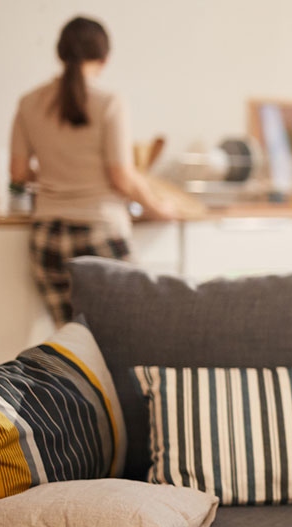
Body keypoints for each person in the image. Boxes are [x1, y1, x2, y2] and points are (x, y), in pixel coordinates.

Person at [10, 16, 174, 324]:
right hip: (100, 232)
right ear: (104, 58)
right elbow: (120, 176)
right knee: (132, 332)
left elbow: (17, 173)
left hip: (47, 237)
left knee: (73, 342)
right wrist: (157, 207)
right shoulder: (109, 102)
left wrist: (54, 173)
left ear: (61, 53)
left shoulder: (28, 102)